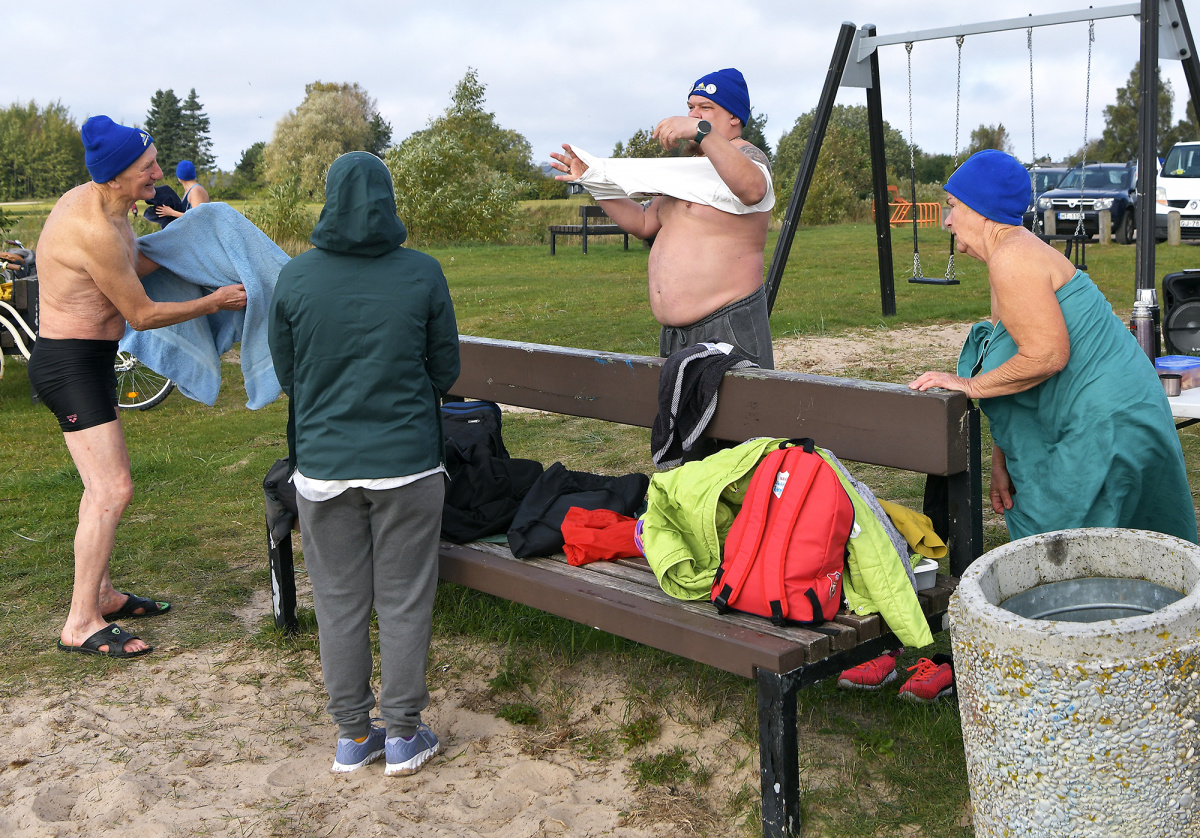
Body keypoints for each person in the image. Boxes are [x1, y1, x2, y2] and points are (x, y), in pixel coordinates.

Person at [268, 152, 460, 776]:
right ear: (387, 200)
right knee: (404, 599)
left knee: (338, 602)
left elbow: (289, 375)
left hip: (323, 467)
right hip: (407, 464)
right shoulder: (422, 272)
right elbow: (445, 369)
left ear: (329, 200)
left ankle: (353, 736)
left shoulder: (296, 277)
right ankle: (402, 733)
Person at [33, 115, 247, 659]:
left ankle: (102, 595)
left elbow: (135, 263)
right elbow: (142, 314)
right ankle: (80, 622)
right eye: (146, 167)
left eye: (154, 162)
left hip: (90, 361)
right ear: (114, 175)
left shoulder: (111, 208)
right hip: (69, 367)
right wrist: (215, 301)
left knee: (100, 490)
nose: (157, 173)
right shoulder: (95, 229)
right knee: (112, 489)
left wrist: (199, 235)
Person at [910, 149, 1196, 543]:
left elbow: (1047, 355)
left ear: (981, 208)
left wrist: (969, 386)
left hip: (1110, 424)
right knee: (1106, 551)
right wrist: (1001, 457)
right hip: (1115, 414)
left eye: (953, 205)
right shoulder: (1009, 254)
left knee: (1080, 553)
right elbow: (1016, 355)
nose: (947, 220)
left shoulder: (1012, 257)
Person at [551, 68, 776, 368]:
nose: (693, 115)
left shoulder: (747, 156)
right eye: (690, 107)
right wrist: (592, 181)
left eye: (705, 108)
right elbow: (643, 222)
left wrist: (702, 131)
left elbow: (753, 189)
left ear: (734, 116)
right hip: (676, 337)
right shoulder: (688, 171)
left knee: (739, 402)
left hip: (727, 325)